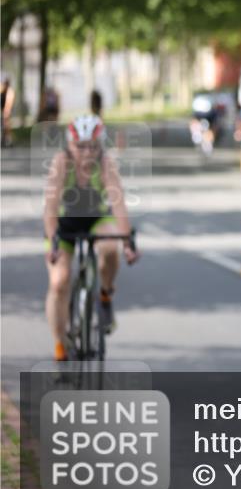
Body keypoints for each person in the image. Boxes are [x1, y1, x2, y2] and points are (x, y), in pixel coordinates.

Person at [43, 115, 139, 361]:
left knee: (110, 247)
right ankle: (60, 343)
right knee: (59, 282)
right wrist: (53, 242)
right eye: (80, 146)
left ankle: (105, 295)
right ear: (69, 145)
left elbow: (118, 205)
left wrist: (127, 241)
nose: (87, 153)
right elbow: (50, 208)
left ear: (100, 147)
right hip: (64, 224)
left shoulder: (106, 164)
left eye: (93, 147)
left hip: (96, 218)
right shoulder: (61, 162)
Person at [1, 75, 14, 147]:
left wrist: (6, 112)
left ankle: (9, 140)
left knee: (6, 125)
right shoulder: (2, 89)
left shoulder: (10, 92)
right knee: (4, 126)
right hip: (2, 110)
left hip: (7, 111)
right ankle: (4, 139)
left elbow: (8, 103)